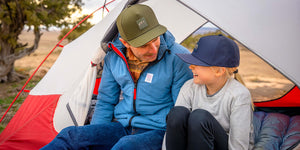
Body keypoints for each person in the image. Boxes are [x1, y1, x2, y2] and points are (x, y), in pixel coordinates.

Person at [41, 4, 192, 150]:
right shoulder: (113, 58)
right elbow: (106, 100)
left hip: (158, 131)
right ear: (125, 43)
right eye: (144, 45)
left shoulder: (179, 57)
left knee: (125, 146)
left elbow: (181, 111)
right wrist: (94, 139)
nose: (153, 49)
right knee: (71, 136)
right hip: (123, 126)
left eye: (155, 39)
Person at [166, 35, 254, 150]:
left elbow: (239, 146)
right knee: (176, 113)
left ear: (219, 71)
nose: (191, 66)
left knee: (199, 117)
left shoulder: (239, 95)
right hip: (195, 145)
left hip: (226, 147)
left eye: (197, 64)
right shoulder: (189, 86)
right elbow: (172, 130)